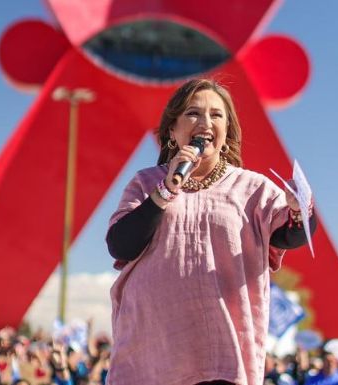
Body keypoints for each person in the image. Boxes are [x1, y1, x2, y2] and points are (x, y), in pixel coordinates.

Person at [105, 78, 317, 385]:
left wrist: (298, 211)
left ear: (226, 131)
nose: (206, 122)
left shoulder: (252, 188)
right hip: (151, 353)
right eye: (193, 113)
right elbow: (121, 245)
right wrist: (166, 189)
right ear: (173, 131)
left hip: (221, 354)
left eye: (216, 115)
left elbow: (292, 234)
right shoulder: (146, 182)